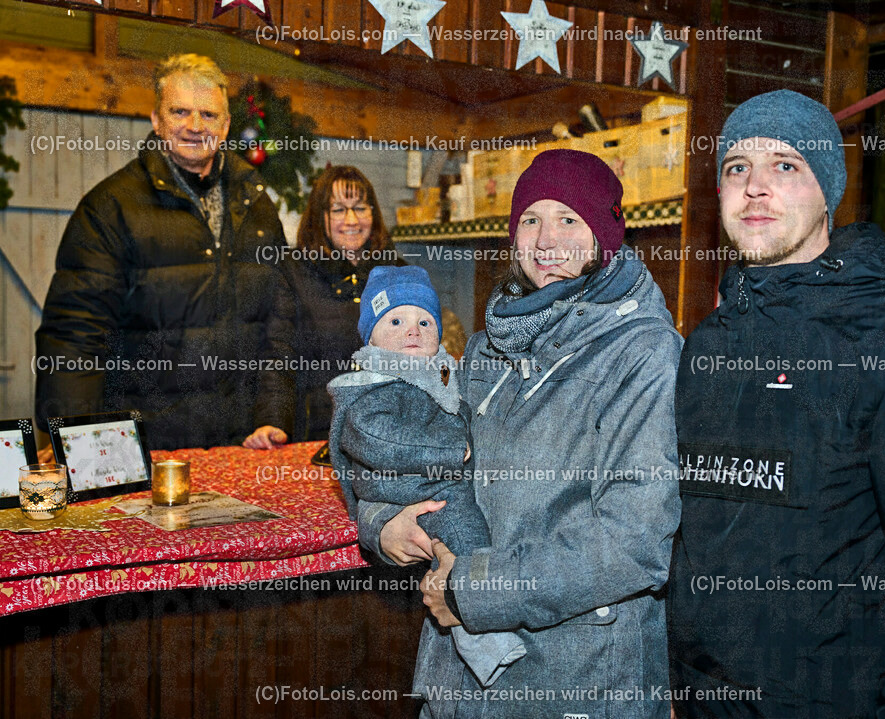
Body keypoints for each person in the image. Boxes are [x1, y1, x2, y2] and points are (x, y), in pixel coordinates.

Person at [667, 89, 885, 718]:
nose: (755, 187)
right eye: (736, 167)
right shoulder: (708, 346)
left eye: (785, 166)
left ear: (828, 191)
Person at [360, 149, 683, 718]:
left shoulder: (645, 353)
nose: (546, 240)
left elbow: (635, 541)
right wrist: (383, 526)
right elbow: (409, 453)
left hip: (573, 680)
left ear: (604, 235)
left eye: (569, 219)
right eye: (531, 219)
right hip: (458, 675)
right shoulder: (487, 348)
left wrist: (477, 590)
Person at [35, 53, 286, 451]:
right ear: (156, 120)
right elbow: (74, 336)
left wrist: (273, 416)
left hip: (243, 446)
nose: (194, 126)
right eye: (180, 111)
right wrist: (75, 444)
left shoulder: (256, 204)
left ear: (224, 127)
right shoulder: (110, 208)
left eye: (207, 114)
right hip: (143, 446)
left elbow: (277, 322)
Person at [327, 264, 526, 688]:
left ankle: (477, 621)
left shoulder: (439, 376)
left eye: (424, 321)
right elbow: (374, 438)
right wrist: (454, 450)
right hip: (412, 486)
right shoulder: (375, 382)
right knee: (464, 535)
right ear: (371, 338)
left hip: (431, 482)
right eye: (395, 321)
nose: (412, 330)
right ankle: (485, 643)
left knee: (463, 546)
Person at [245, 166, 403, 448]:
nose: (352, 219)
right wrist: (272, 421)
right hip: (318, 436)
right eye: (338, 210)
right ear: (321, 217)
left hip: (390, 435)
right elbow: (278, 355)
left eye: (360, 208)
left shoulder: (400, 273)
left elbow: (425, 357)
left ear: (374, 214)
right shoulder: (293, 272)